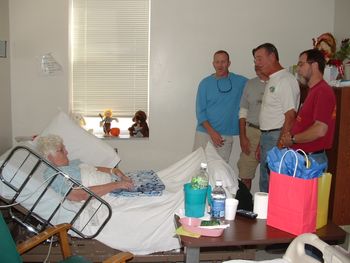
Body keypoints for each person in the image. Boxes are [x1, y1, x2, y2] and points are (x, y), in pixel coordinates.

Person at [253, 43, 300, 192]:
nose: (257, 63)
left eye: (260, 59)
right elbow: (271, 114)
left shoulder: (285, 80)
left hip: (276, 137)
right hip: (267, 137)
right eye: (255, 60)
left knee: (272, 184)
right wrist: (262, 142)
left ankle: (270, 215)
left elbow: (290, 116)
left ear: (272, 57)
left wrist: (279, 146)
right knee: (265, 182)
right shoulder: (272, 79)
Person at [280, 48, 336, 167]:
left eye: (301, 64)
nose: (298, 69)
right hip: (303, 157)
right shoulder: (312, 90)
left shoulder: (323, 91)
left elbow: (320, 130)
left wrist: (293, 139)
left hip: (311, 160)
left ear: (314, 65)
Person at [36, 134, 133, 201]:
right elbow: (79, 195)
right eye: (61, 150)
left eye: (64, 148)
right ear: (49, 156)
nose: (66, 152)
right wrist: (117, 185)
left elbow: (98, 169)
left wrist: (120, 174)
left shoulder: (73, 163)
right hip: (107, 194)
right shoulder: (53, 174)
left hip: (116, 183)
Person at [193, 50, 248, 163]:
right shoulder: (205, 83)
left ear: (229, 63)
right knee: (198, 167)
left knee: (220, 169)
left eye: (223, 62)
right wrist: (212, 132)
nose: (220, 65)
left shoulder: (240, 81)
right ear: (213, 63)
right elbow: (200, 112)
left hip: (225, 136)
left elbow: (257, 85)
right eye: (217, 62)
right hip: (205, 133)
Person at [237, 65, 268, 190]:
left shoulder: (277, 83)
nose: (258, 72)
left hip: (270, 134)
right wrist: (242, 136)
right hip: (251, 132)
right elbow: (243, 112)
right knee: (245, 173)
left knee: (268, 176)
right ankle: (245, 206)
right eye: (256, 69)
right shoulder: (250, 84)